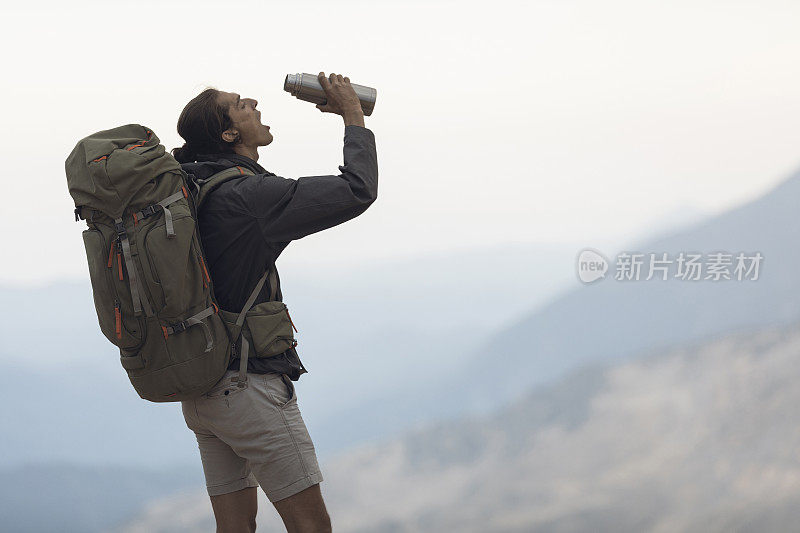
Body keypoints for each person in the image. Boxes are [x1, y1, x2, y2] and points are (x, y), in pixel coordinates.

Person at [173, 72, 378, 533]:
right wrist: (353, 118)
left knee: (235, 527)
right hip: (249, 389)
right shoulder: (249, 196)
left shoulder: (192, 187)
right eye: (238, 104)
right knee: (310, 526)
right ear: (229, 134)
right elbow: (357, 190)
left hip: (203, 388)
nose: (252, 101)